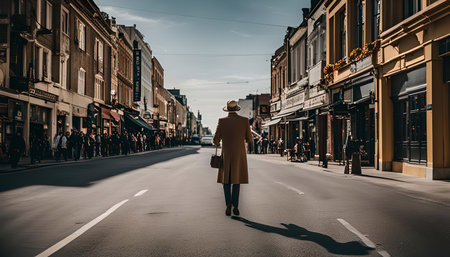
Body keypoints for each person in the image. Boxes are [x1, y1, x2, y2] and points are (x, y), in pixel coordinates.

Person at [213, 100, 253, 217]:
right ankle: (235, 205)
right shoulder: (244, 121)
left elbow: (215, 140)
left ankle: (228, 204)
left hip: (226, 153)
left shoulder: (222, 121)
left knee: (226, 181)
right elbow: (249, 138)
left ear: (227, 110)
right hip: (239, 154)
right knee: (236, 180)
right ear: (237, 109)